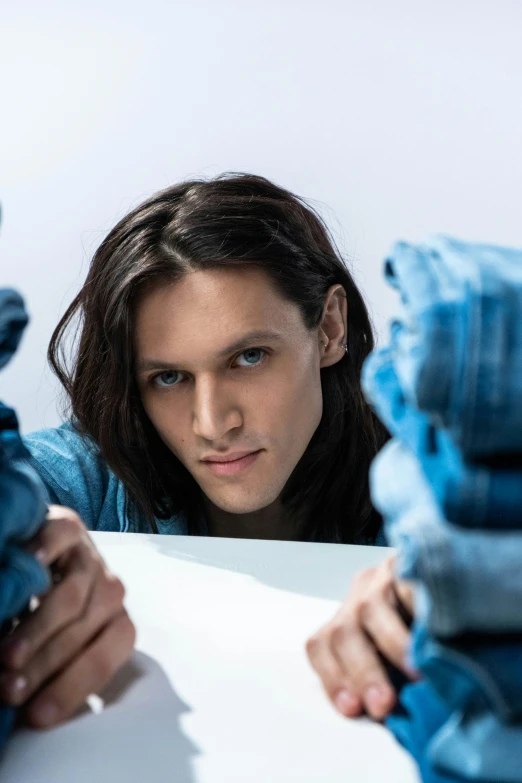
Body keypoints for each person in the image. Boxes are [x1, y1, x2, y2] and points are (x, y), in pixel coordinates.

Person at [15, 172, 413, 728]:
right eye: (170, 377)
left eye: (249, 357)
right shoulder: (97, 477)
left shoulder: (428, 483)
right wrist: (27, 529)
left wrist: (456, 575)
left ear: (328, 328)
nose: (212, 424)